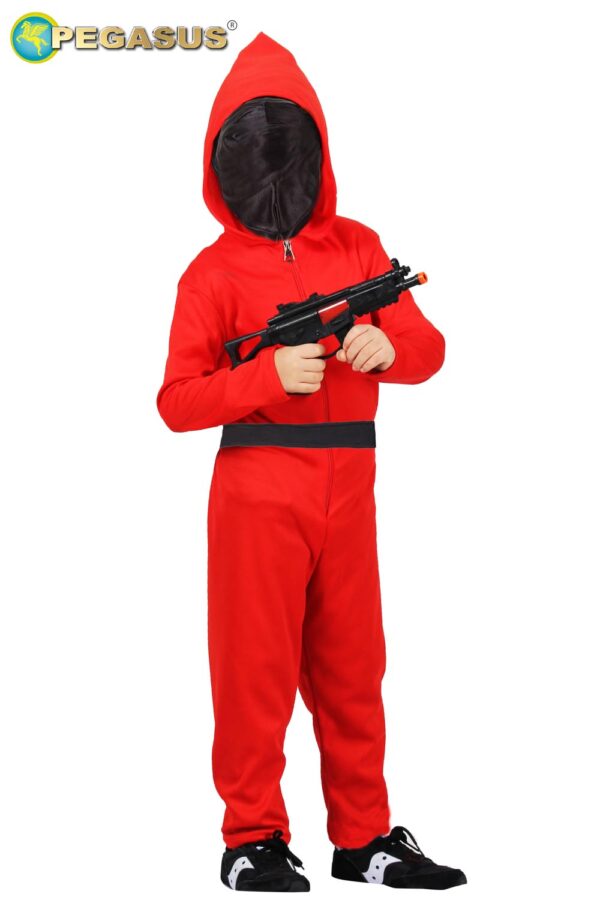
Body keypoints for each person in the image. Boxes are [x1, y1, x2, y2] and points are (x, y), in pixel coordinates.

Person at [157, 31, 466, 892]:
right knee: (252, 669)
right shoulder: (210, 275)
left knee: (355, 669)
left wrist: (386, 348)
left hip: (351, 489)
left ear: (317, 149)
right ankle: (251, 838)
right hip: (257, 489)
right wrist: (263, 378)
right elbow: (176, 401)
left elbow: (430, 350)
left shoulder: (360, 249)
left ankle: (363, 840)